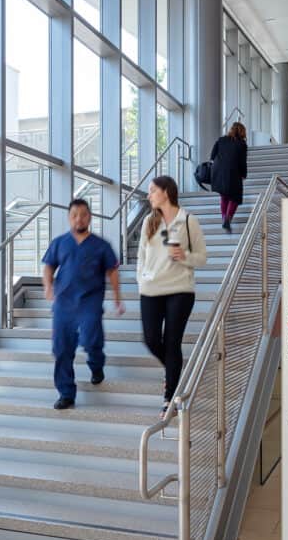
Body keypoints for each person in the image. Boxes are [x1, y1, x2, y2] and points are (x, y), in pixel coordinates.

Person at [42, 199, 124, 410]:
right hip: (63, 304)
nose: (79, 218)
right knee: (61, 349)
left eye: (83, 214)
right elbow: (49, 266)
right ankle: (66, 393)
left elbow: (112, 271)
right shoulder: (60, 242)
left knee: (91, 341)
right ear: (69, 218)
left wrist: (117, 297)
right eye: (75, 215)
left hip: (90, 302)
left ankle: (97, 365)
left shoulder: (101, 245)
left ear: (90, 217)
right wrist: (48, 287)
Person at [137, 175, 208, 413]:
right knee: (151, 340)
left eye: (152, 190)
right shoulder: (149, 221)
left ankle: (170, 397)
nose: (149, 195)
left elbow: (202, 257)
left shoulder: (188, 220)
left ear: (166, 192)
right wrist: (141, 280)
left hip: (180, 290)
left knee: (172, 342)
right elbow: (141, 257)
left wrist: (185, 256)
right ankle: (174, 369)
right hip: (151, 290)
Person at [209, 121, 249, 233]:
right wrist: (244, 174)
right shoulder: (242, 144)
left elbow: (212, 155)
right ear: (242, 132)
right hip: (233, 172)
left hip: (218, 171)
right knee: (235, 197)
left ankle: (223, 218)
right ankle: (228, 218)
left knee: (224, 196)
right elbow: (242, 162)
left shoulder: (221, 140)